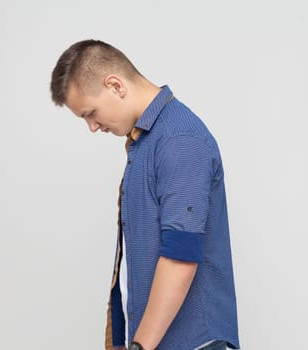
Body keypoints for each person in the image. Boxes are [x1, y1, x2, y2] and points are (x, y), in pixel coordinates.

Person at [50, 40, 240, 350]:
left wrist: (141, 345)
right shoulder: (145, 142)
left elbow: (181, 256)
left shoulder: (179, 139)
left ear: (115, 85)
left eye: (91, 113)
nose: (92, 127)